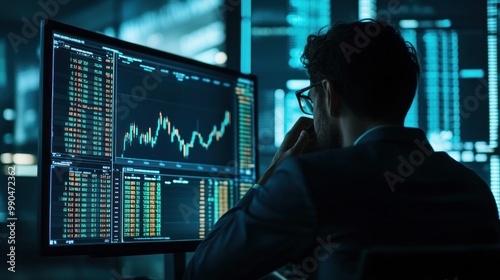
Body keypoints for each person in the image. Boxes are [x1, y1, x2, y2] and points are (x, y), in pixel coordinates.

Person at [183, 19, 500, 279]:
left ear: (330, 95)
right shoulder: (473, 189)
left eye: (311, 98)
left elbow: (204, 270)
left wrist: (271, 175)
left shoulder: (307, 180)